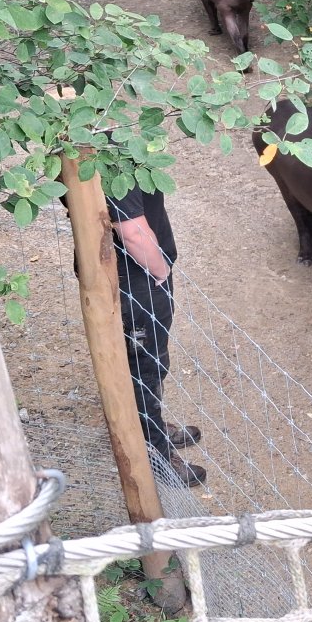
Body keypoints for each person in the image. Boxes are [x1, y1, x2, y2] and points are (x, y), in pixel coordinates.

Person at [106, 182, 207, 487]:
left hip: (123, 276)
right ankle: (155, 456)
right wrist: (160, 271)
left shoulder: (78, 141)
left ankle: (150, 431)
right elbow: (131, 231)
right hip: (138, 280)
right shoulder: (106, 154)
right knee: (146, 368)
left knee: (140, 364)